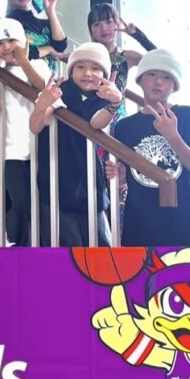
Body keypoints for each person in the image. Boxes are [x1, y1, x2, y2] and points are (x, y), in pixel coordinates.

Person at [108, 48, 190, 247]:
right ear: (140, 80)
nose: (158, 82)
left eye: (166, 77)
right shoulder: (125, 127)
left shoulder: (189, 116)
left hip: (184, 225)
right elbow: (125, 178)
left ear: (175, 85)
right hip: (140, 227)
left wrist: (172, 135)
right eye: (151, 74)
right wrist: (120, 177)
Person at [29, 42, 122, 247]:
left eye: (95, 68)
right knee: (64, 248)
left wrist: (115, 102)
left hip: (91, 180)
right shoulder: (60, 91)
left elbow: (96, 123)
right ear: (71, 71)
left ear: (105, 74)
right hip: (58, 178)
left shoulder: (104, 96)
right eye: (80, 67)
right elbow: (36, 126)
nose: (87, 73)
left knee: (101, 246)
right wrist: (42, 104)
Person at [0, 18, 51, 246]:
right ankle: (21, 246)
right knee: (21, 203)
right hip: (9, 151)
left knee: (41, 203)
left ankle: (38, 247)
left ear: (23, 42)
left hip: (39, 148)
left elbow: (43, 87)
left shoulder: (38, 65)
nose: (6, 46)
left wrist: (24, 59)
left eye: (11, 40)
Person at [87, 2, 156, 123]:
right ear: (91, 31)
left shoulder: (127, 56)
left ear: (117, 23)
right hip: (91, 113)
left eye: (108, 21)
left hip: (117, 116)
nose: (104, 28)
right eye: (97, 24)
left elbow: (159, 59)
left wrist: (137, 35)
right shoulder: (86, 55)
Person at [2, 0, 68, 71]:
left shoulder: (40, 21)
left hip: (48, 78)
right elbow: (19, 54)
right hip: (24, 78)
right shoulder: (9, 23)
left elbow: (60, 46)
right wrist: (49, 49)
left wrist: (50, 11)